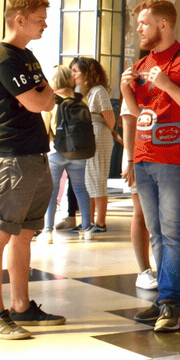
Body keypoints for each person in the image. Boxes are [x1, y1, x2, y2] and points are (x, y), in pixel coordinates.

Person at [121, 0, 180, 332]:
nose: (139, 30)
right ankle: (164, 299)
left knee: (174, 232)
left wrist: (166, 85)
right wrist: (125, 90)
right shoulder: (143, 62)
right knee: (157, 233)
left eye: (144, 24)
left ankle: (174, 302)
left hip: (174, 158)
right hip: (144, 157)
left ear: (163, 25)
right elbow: (137, 113)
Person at [0, 0, 65, 339]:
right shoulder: (3, 58)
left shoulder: (26, 56)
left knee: (25, 232)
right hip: (10, 156)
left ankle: (21, 305)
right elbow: (39, 101)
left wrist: (45, 94)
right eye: (39, 18)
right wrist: (45, 94)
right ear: (19, 20)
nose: (44, 23)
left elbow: (47, 96)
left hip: (33, 153)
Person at [40, 65, 92, 241]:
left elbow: (45, 128)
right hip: (79, 152)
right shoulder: (81, 100)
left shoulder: (52, 100)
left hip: (57, 151)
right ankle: (86, 228)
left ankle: (47, 231)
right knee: (80, 189)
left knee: (52, 191)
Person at [71, 57, 118, 232]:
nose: (73, 75)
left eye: (76, 71)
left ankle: (100, 223)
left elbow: (110, 119)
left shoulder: (99, 91)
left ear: (88, 73)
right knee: (88, 181)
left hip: (98, 134)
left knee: (97, 179)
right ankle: (87, 221)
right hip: (87, 136)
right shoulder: (84, 92)